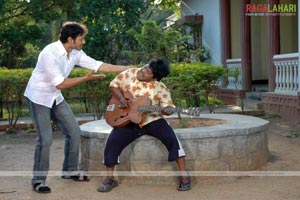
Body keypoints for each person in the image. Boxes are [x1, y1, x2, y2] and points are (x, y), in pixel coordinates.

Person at [24, 21, 129, 193]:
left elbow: (98, 65)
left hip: (55, 98)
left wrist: (126, 68)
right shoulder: (49, 53)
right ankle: (38, 180)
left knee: (74, 131)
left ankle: (70, 170)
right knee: (46, 139)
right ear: (71, 39)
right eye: (81, 39)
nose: (83, 42)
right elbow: (60, 84)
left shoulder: (75, 52)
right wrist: (86, 79)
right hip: (39, 98)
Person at [97, 57, 191, 192]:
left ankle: (184, 176)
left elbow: (168, 108)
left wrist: (167, 110)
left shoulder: (160, 88)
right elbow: (113, 85)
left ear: (155, 78)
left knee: (172, 139)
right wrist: (122, 98)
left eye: (148, 72)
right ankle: (110, 179)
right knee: (112, 142)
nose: (143, 71)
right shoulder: (130, 73)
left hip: (152, 120)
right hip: (127, 120)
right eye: (146, 67)